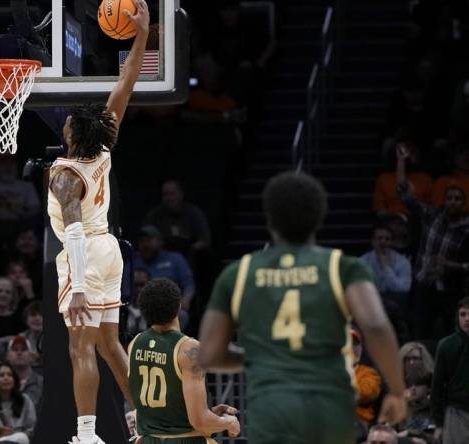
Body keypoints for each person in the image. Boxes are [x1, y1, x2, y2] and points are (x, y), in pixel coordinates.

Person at [198, 171, 407, 444]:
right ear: (320, 217)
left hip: (272, 408)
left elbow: (209, 354)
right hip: (330, 406)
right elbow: (376, 325)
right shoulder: (342, 267)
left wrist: (256, 357)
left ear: (269, 218)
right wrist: (398, 390)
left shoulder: (239, 273)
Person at [46, 2, 149, 441]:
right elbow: (126, 85)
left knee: (80, 348)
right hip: (109, 250)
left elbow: (71, 231)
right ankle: (148, 419)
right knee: (111, 346)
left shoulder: (66, 175)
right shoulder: (103, 150)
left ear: (71, 136)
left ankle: (86, 435)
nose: (66, 123)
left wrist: (80, 290)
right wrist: (142, 35)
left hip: (84, 253)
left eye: (67, 124)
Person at [128, 278, 240, 443]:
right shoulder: (189, 349)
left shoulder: (135, 343)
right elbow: (200, 421)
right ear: (179, 306)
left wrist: (211, 412)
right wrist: (228, 423)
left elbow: (166, 411)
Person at [396, 144, 469, 339]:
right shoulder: (432, 215)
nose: (453, 202)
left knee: (454, 337)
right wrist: (401, 162)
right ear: (444, 200)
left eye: (457, 199)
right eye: (450, 198)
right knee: (418, 333)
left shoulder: (466, 229)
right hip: (423, 284)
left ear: (463, 203)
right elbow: (404, 194)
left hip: (450, 290)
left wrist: (450, 265)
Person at [431, 297, 469, 444]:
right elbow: (437, 388)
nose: (467, 319)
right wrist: (439, 424)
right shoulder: (446, 345)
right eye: (463, 314)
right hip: (456, 412)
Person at [352, 328, 382, 428]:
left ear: (361, 348)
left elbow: (367, 393)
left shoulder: (368, 373)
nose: (351, 348)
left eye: (355, 344)